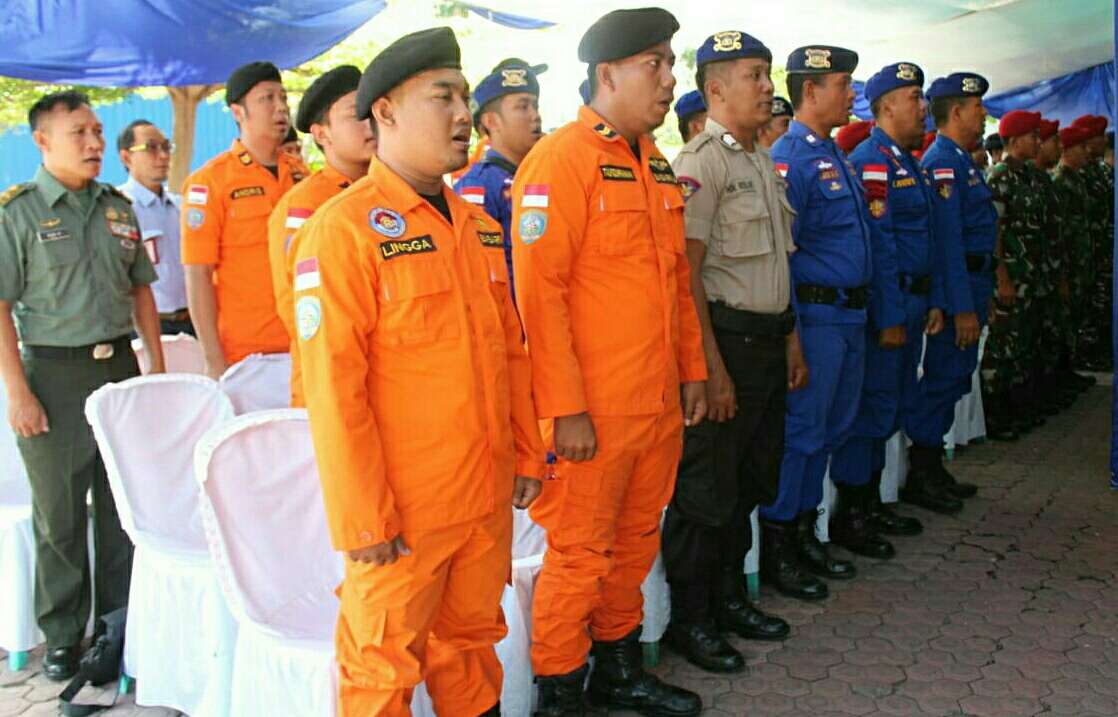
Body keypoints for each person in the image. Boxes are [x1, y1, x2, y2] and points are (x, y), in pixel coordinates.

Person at [292, 27, 546, 717]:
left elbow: (510, 351)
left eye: (465, 96)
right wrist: (363, 516)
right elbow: (332, 388)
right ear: (385, 114)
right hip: (401, 514)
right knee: (380, 674)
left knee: (471, 651)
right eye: (444, 97)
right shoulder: (341, 230)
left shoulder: (475, 226)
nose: (464, 114)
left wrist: (525, 450)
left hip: (482, 495)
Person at [511, 8, 707, 716]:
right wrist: (563, 408)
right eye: (654, 63)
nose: (669, 76)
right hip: (591, 413)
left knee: (634, 541)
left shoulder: (652, 160)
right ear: (607, 74)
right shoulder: (560, 160)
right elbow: (540, 295)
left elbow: (675, 283)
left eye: (669, 62)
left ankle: (619, 668)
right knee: (579, 552)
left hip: (653, 407)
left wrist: (692, 373)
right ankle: (561, 690)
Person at [0, 90, 165, 681]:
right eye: (80, 134)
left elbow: (141, 288)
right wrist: (17, 391)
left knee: (122, 504)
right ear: (42, 142)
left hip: (118, 368)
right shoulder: (16, 214)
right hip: (53, 374)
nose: (96, 143)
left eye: (98, 132)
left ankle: (119, 623)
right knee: (61, 513)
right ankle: (64, 633)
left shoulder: (119, 207)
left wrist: (157, 370)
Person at [661, 29, 802, 675]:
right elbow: (686, 276)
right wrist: (708, 368)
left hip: (767, 345)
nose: (768, 88)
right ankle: (691, 618)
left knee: (747, 482)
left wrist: (792, 339)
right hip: (727, 347)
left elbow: (778, 264)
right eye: (755, 76)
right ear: (715, 89)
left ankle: (726, 600)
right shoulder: (701, 163)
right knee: (706, 493)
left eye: (768, 75)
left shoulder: (757, 162)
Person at [764, 44, 869, 599]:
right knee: (802, 435)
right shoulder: (793, 159)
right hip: (817, 316)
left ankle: (806, 533)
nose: (851, 93)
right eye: (842, 83)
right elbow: (780, 255)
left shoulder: (833, 155)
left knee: (830, 431)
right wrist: (793, 337)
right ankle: (781, 545)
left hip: (849, 316)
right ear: (811, 91)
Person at [830, 62, 941, 559]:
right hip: (889, 307)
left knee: (891, 403)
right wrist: (892, 315)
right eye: (914, 97)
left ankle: (871, 500)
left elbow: (925, 237)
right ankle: (853, 511)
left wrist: (931, 300)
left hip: (913, 302)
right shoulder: (873, 159)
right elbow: (882, 242)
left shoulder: (905, 160)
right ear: (887, 106)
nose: (922, 107)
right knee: (871, 408)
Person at [181, 61, 308, 379]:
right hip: (247, 356)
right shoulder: (209, 183)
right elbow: (198, 276)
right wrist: (213, 359)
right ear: (238, 111)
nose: (280, 108)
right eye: (267, 98)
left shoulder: (302, 176)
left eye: (283, 98)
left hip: (305, 343)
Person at [904, 73, 996, 512]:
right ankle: (921, 471)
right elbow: (948, 242)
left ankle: (932, 463)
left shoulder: (961, 159)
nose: (983, 114)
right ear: (956, 111)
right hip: (960, 290)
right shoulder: (943, 162)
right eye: (977, 106)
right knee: (942, 378)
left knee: (956, 378)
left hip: (974, 285)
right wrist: (961, 308)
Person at [267, 65, 374, 407]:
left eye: (372, 112)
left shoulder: (395, 195)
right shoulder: (305, 205)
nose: (369, 123)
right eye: (354, 114)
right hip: (330, 386)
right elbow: (300, 309)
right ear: (322, 134)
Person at [453, 62, 544, 304]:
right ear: (492, 122)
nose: (535, 116)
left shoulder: (547, 174)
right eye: (522, 107)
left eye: (535, 106)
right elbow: (477, 269)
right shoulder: (478, 184)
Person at [984, 110, 1050, 430]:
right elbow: (994, 230)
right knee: (1002, 344)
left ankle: (1016, 403)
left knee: (1022, 338)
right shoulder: (1000, 177)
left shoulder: (1027, 176)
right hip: (1009, 275)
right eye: (1032, 136)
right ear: (1013, 141)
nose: (1037, 141)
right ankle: (996, 412)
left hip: (1028, 273)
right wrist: (1002, 277)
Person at [117, 120, 192, 335]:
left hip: (190, 322)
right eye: (151, 148)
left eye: (166, 147)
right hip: (147, 326)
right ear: (126, 157)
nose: (163, 156)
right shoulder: (120, 210)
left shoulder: (181, 207)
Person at [1053, 125, 1096, 380]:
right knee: (1063, 321)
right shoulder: (1059, 182)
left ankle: (1069, 369)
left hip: (1080, 260)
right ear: (1068, 150)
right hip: (1066, 263)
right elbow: (1058, 230)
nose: (1087, 152)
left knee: (1076, 315)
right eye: (1082, 147)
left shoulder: (1077, 180)